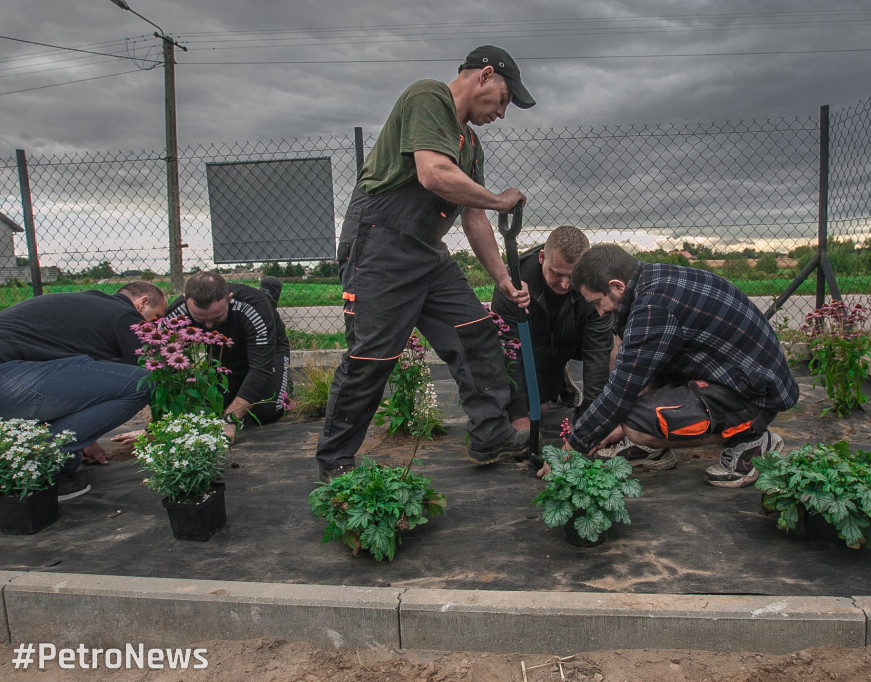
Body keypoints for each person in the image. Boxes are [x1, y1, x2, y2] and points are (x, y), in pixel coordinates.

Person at [315, 45, 537, 481]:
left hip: (427, 251)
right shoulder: (427, 97)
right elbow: (433, 174)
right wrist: (498, 200)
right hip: (382, 242)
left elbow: (473, 218)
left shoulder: (470, 145)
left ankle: (490, 433)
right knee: (373, 356)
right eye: (505, 99)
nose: (503, 113)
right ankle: (335, 459)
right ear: (485, 76)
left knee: (476, 333)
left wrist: (504, 280)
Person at [551, 244, 799, 488]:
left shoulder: (654, 307)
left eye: (597, 302)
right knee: (629, 356)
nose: (600, 312)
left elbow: (620, 391)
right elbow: (633, 369)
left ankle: (752, 440)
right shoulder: (654, 280)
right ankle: (654, 447)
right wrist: (609, 425)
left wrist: (571, 449)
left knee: (636, 424)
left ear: (617, 286)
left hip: (754, 396)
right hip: (731, 373)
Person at [0, 282, 167, 499]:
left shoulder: (92, 308)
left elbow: (75, 382)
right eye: (157, 317)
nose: (157, 325)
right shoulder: (125, 316)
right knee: (144, 383)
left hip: (14, 375)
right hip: (8, 376)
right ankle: (35, 466)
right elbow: (156, 375)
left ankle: (32, 458)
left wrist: (85, 435)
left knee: (71, 461)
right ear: (143, 302)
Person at [490, 225, 613, 429]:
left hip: (575, 338)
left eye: (573, 276)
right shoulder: (512, 284)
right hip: (535, 345)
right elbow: (511, 352)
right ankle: (558, 378)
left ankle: (572, 383)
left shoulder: (596, 284)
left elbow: (598, 352)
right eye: (557, 274)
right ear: (541, 258)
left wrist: (592, 414)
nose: (565, 284)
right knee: (537, 411)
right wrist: (519, 416)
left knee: (616, 347)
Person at [166, 271, 291, 442]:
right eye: (200, 320)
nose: (209, 326)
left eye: (216, 318)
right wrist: (156, 424)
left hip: (268, 349)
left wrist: (230, 420)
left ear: (229, 298)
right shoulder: (176, 314)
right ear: (185, 299)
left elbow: (261, 369)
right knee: (210, 408)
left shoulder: (253, 308)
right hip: (223, 353)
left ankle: (282, 380)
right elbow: (163, 367)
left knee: (266, 412)